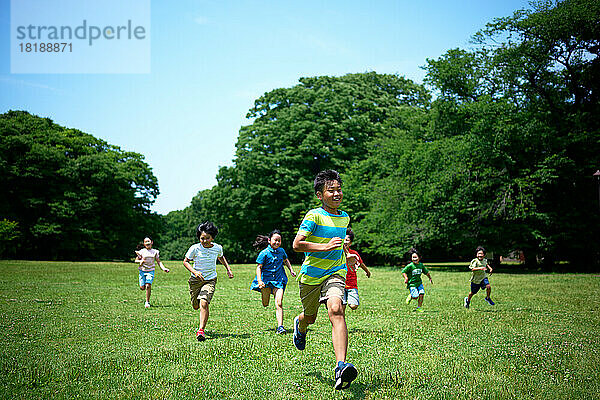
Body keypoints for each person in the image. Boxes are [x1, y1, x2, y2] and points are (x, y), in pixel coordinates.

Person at [292, 169, 358, 391]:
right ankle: (299, 327)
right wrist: (324, 247)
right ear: (320, 194)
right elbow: (297, 244)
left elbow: (340, 242)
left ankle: (340, 366)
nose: (337, 193)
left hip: (335, 273)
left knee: (337, 309)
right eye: (331, 190)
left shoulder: (345, 217)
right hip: (311, 276)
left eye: (339, 189)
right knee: (309, 318)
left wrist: (346, 255)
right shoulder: (314, 216)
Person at [183, 221, 234, 341]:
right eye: (202, 238)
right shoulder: (195, 248)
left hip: (210, 279)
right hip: (195, 280)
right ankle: (196, 305)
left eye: (207, 238)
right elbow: (185, 261)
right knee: (196, 305)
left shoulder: (217, 248)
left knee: (204, 303)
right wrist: (195, 272)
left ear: (212, 237)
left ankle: (201, 330)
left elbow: (221, 257)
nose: (204, 241)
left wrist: (228, 269)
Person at [250, 229, 297, 334]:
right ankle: (265, 294)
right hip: (266, 281)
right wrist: (259, 281)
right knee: (265, 304)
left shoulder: (282, 251)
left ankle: (280, 327)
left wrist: (291, 270)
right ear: (269, 240)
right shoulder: (264, 253)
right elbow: (259, 268)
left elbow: (286, 260)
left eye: (279, 240)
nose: (277, 242)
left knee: (279, 303)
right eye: (275, 240)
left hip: (279, 280)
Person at [136, 237, 170, 309]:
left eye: (149, 241)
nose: (147, 243)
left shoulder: (155, 252)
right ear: (144, 243)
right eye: (146, 242)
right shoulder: (142, 251)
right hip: (142, 271)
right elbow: (136, 260)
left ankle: (147, 302)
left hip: (151, 271)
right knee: (142, 287)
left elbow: (158, 261)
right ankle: (143, 287)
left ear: (152, 242)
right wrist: (140, 261)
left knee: (148, 285)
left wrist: (164, 268)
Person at [342, 228, 371, 312]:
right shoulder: (337, 254)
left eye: (347, 240)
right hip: (340, 284)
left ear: (350, 243)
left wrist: (367, 272)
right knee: (341, 308)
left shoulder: (354, 254)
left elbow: (361, 263)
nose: (344, 242)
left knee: (353, 306)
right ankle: (340, 324)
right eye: (343, 239)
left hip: (352, 284)